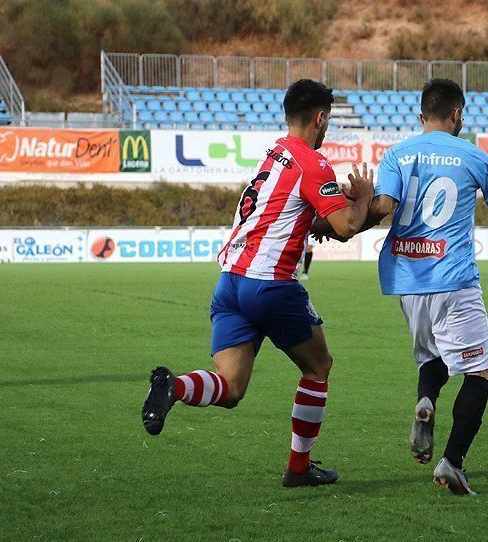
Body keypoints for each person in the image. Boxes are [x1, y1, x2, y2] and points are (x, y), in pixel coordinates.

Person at [141, 79, 374, 487]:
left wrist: (317, 221)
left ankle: (173, 386)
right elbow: (347, 225)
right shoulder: (313, 163)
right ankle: (299, 469)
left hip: (230, 283)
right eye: (328, 121)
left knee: (231, 389)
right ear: (320, 118)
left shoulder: (275, 154)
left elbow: (293, 215)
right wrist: (365, 197)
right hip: (270, 285)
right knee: (318, 368)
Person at [315, 78, 488, 495]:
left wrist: (347, 216)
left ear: (420, 116)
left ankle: (426, 399)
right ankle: (452, 462)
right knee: (478, 371)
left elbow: (382, 207)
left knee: (431, 356)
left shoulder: (397, 153)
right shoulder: (472, 154)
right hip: (454, 278)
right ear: (456, 114)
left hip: (408, 282)